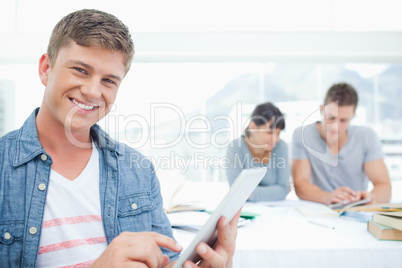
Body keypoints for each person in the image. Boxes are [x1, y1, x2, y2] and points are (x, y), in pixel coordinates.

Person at [0, 9, 240, 268]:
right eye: (81, 70)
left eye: (109, 80)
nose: (93, 91)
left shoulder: (137, 170)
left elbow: (165, 261)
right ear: (46, 69)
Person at [291, 82, 392, 205]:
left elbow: (384, 186)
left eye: (343, 120)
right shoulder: (302, 135)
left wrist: (371, 197)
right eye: (331, 118)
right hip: (319, 208)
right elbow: (301, 185)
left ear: (353, 115)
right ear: (322, 110)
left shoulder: (367, 137)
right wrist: (327, 197)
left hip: (355, 210)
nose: (335, 127)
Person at [226, 102, 290, 201]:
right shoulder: (235, 147)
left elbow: (283, 189)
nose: (276, 139)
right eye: (269, 132)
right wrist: (274, 192)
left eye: (278, 133)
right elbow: (237, 191)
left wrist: (251, 193)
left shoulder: (281, 147)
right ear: (252, 127)